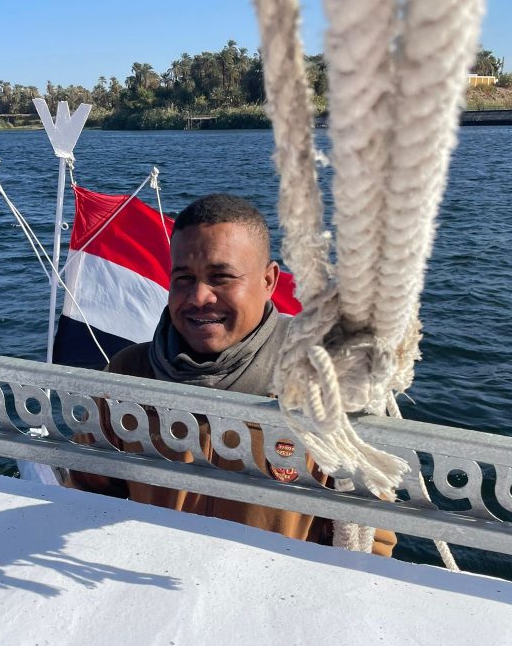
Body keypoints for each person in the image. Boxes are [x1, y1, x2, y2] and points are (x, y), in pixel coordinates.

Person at [68, 194, 395, 558]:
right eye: (184, 278)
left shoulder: (327, 380)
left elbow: (368, 534)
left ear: (269, 280)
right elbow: (89, 492)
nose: (199, 296)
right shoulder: (128, 374)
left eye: (221, 277)